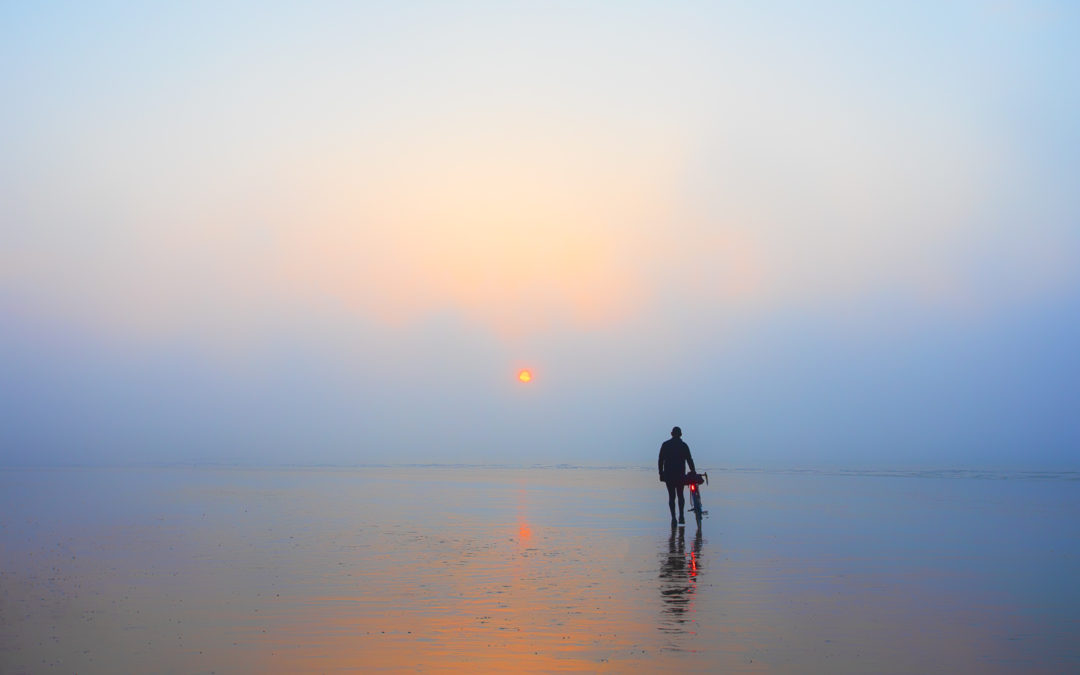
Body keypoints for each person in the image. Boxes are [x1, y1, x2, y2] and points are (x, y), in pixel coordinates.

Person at [658, 426, 696, 526]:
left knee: (671, 496)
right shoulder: (684, 446)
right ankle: (682, 516)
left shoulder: (665, 445)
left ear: (671, 434)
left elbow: (660, 460)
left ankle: (674, 518)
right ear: (681, 434)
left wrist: (661, 473)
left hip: (669, 475)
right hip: (680, 475)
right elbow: (689, 460)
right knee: (680, 495)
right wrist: (693, 471)